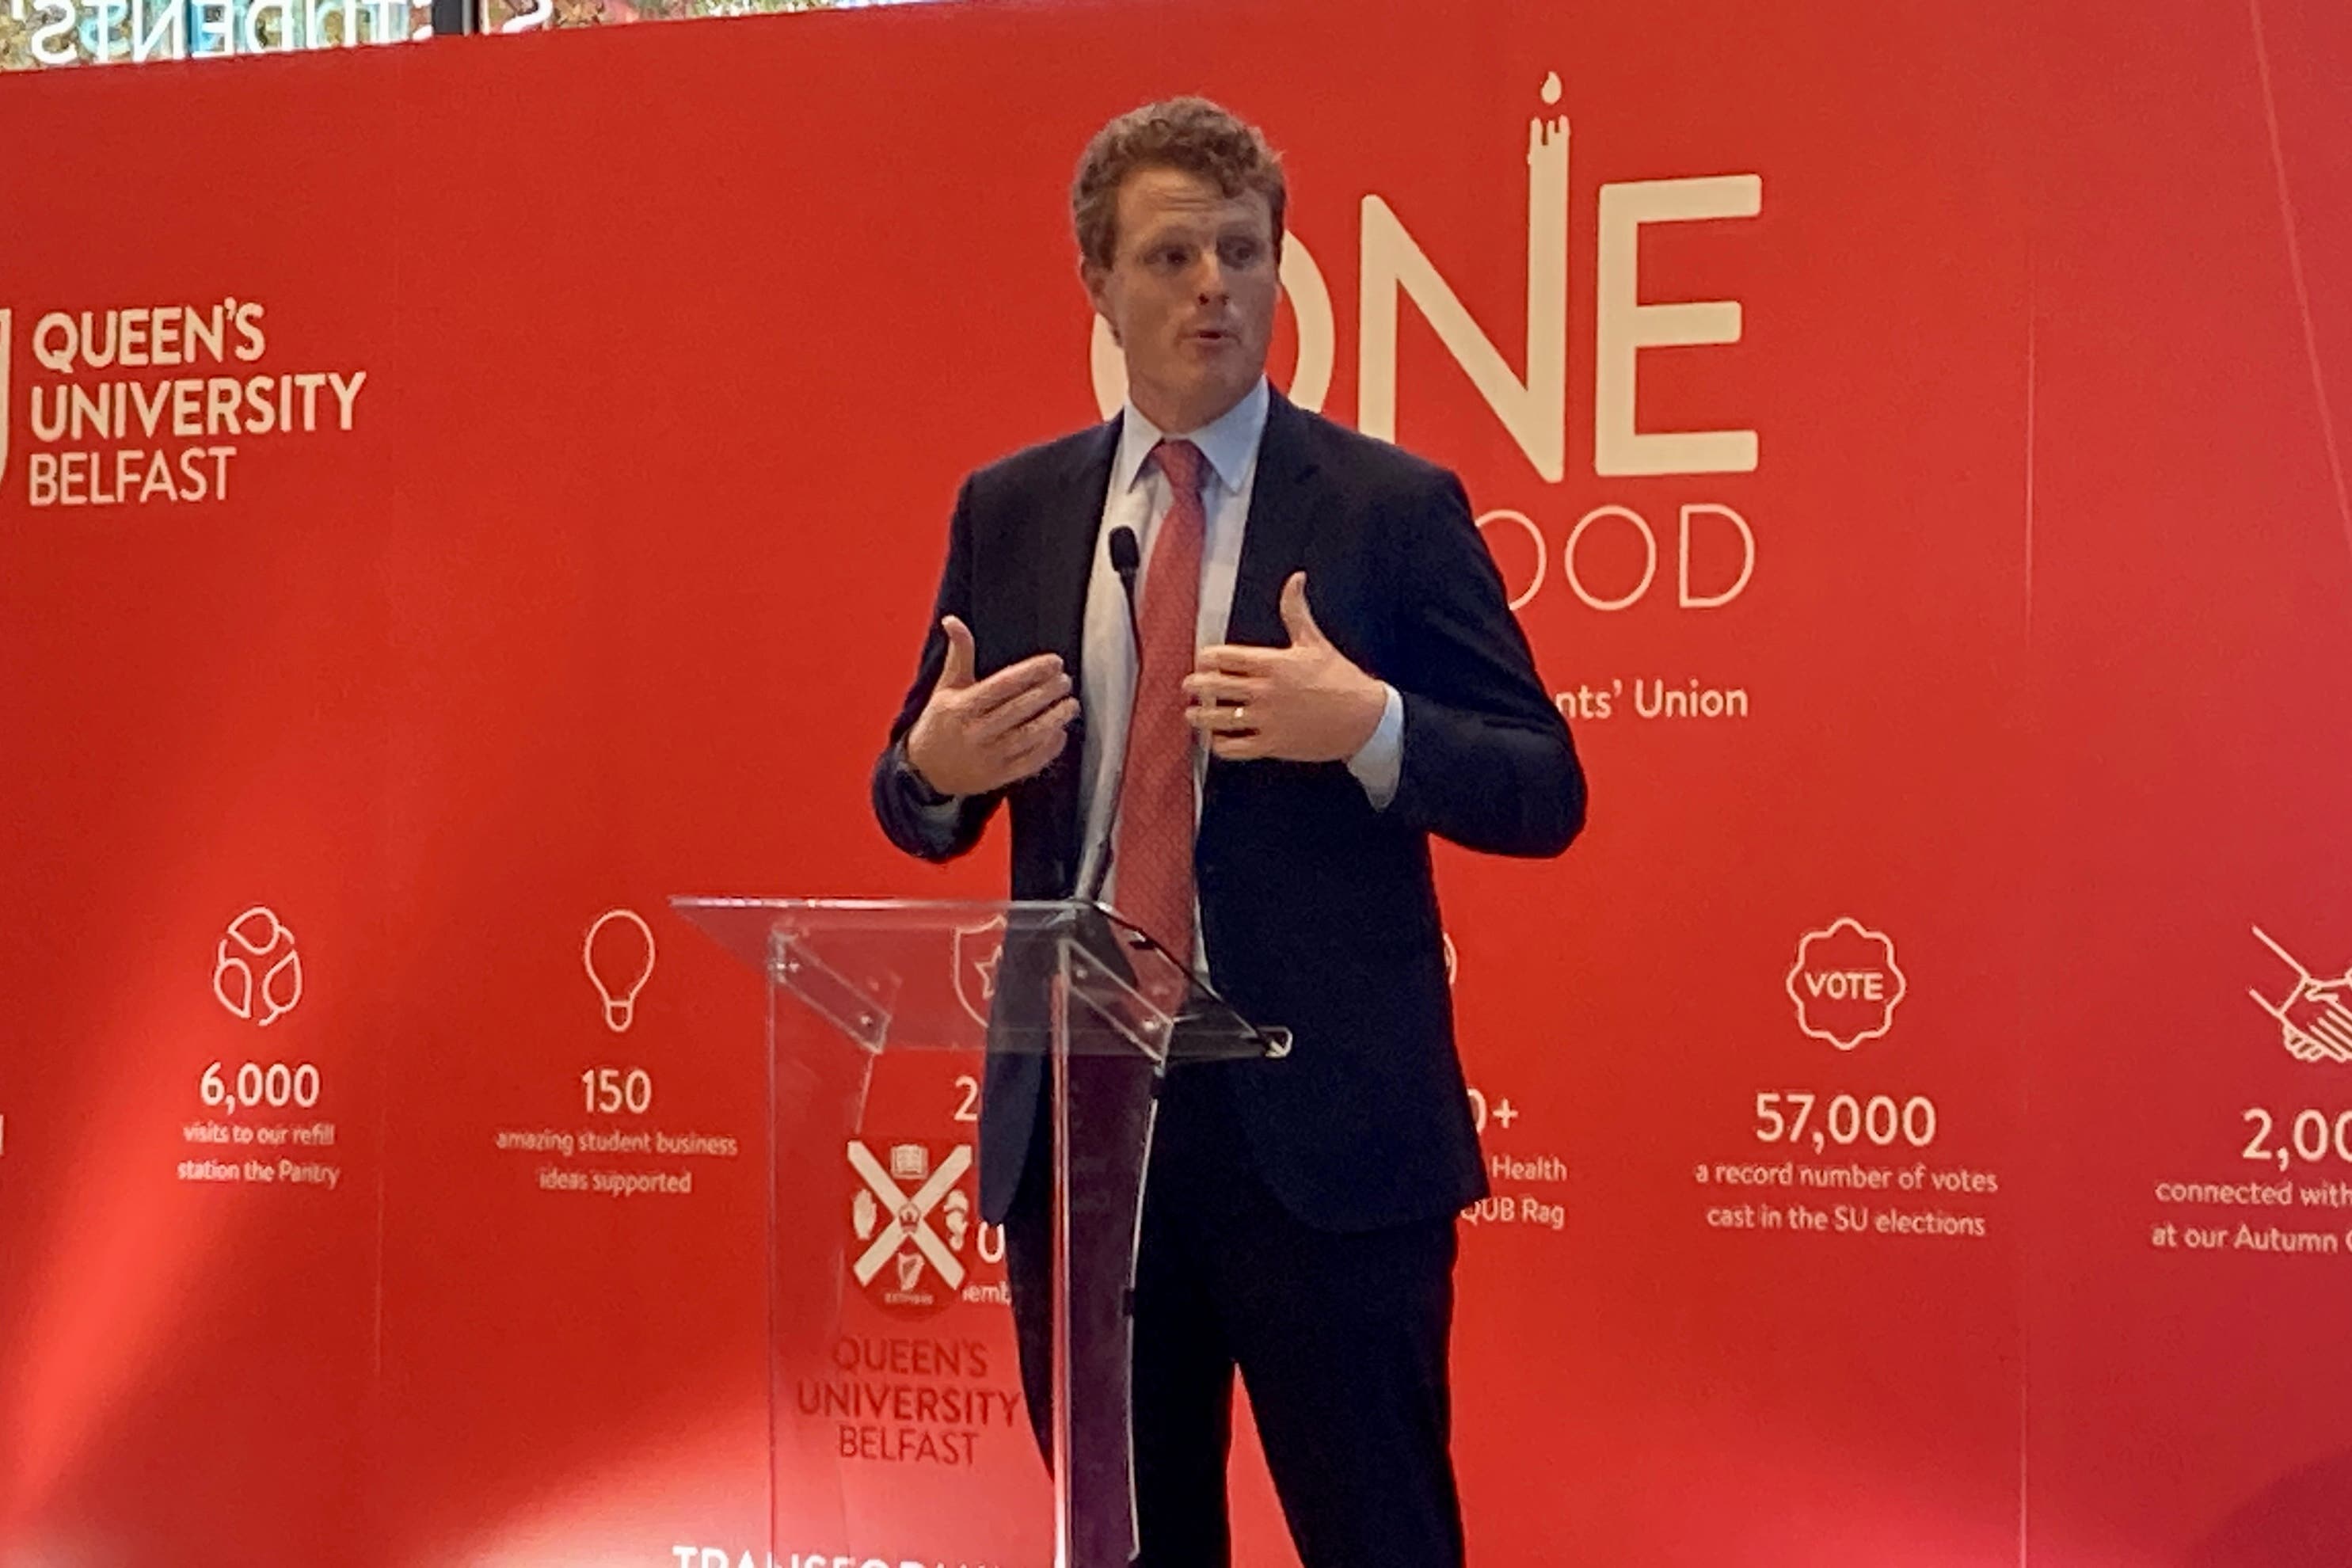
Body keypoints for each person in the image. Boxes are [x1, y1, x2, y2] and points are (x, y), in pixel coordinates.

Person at [871, 96, 1585, 1568]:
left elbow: (1543, 785)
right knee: (1124, 1541)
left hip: (1322, 1147)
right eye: (1174, 256)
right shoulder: (1011, 512)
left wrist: (1375, 727)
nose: (1214, 287)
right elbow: (914, 793)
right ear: (1101, 284)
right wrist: (934, 768)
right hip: (1084, 1139)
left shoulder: (1390, 509)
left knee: (1378, 1533)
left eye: (1243, 255)